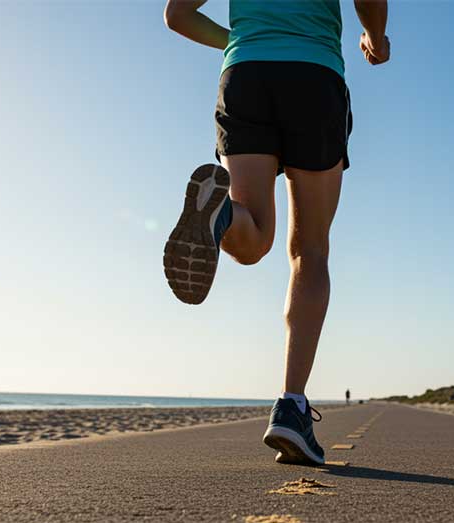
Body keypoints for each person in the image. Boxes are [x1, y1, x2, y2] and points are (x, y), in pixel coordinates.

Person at [162, 0, 390, 466]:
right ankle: (291, 405)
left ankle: (222, 214)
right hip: (314, 75)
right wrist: (376, 37)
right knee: (310, 251)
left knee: (253, 238)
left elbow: (177, 14)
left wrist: (239, 40)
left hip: (245, 75)